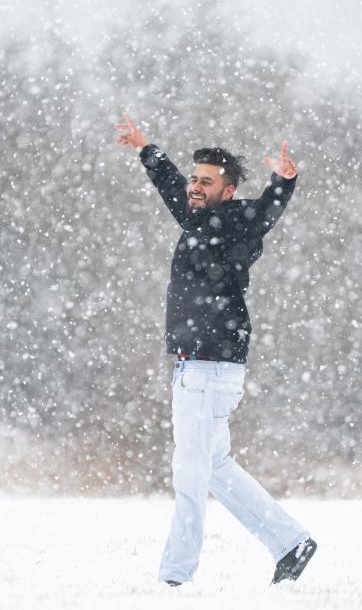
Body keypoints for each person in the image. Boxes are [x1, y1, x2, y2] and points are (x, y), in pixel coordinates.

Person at [114, 115, 317, 586]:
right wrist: (147, 149)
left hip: (209, 367)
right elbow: (172, 189)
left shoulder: (229, 220)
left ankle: (174, 579)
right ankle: (291, 542)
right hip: (198, 366)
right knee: (215, 468)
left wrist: (284, 182)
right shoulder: (197, 219)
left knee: (190, 474)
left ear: (227, 192)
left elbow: (265, 211)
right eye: (194, 178)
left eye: (206, 181)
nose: (195, 186)